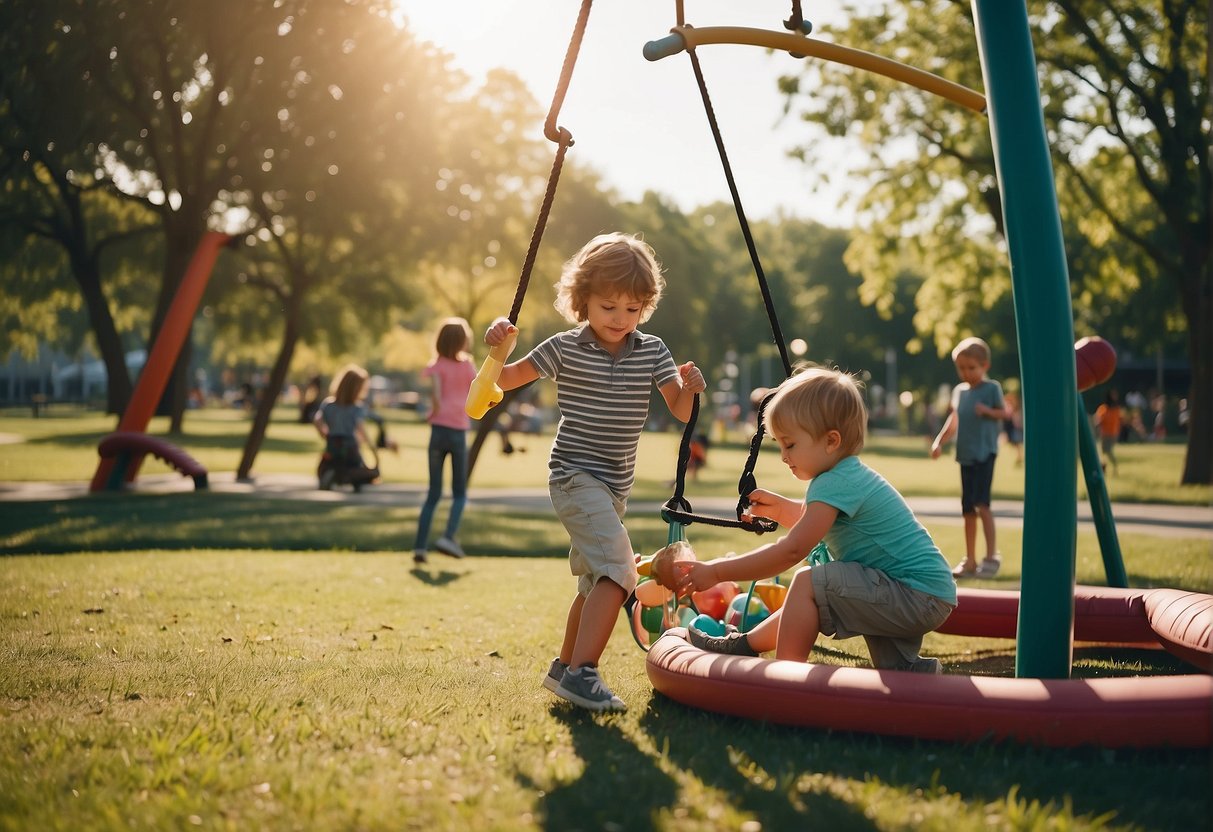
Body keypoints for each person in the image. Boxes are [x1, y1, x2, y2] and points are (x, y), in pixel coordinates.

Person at [483, 231, 705, 712]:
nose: (621, 319)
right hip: (573, 476)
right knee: (620, 571)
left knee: (593, 583)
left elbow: (682, 411)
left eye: (633, 309)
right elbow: (502, 379)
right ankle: (584, 674)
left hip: (613, 488)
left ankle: (565, 667)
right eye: (609, 307)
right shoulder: (563, 347)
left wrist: (691, 387)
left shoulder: (652, 350)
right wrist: (496, 344)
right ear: (582, 300)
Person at [672, 367, 956, 674]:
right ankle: (920, 676)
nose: (783, 455)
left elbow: (793, 550)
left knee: (809, 583)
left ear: (831, 440)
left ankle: (785, 680)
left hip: (912, 593)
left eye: (790, 444)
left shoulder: (834, 482)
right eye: (779, 445)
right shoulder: (845, 476)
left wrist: (716, 572)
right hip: (917, 591)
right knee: (897, 670)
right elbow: (814, 523)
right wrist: (781, 511)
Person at [929, 337, 1006, 578]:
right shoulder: (959, 392)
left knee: (982, 505)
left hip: (985, 454)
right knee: (967, 510)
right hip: (966, 455)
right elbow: (954, 420)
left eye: (971, 368)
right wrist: (939, 441)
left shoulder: (991, 388)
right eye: (961, 368)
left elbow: (1005, 413)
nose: (966, 373)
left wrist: (987, 411)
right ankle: (970, 560)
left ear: (985, 366)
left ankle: (991, 556)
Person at [413, 317, 478, 565]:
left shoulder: (437, 365)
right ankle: (448, 537)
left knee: (433, 493)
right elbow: (476, 390)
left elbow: (437, 397)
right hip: (458, 431)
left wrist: (432, 413)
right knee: (459, 493)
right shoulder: (468, 366)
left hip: (438, 430)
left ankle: (420, 547)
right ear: (463, 341)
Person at [313, 364, 376, 490]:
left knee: (330, 461)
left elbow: (317, 420)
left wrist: (324, 433)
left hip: (332, 442)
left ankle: (331, 475)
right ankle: (355, 480)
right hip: (349, 444)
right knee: (356, 464)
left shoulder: (328, 404)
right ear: (357, 389)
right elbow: (360, 428)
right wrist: (372, 447)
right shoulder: (357, 408)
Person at [1093, 389, 1123, 475]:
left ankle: (1114, 465)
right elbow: (1098, 419)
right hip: (1104, 433)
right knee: (1103, 452)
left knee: (1108, 451)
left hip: (1113, 434)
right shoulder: (1103, 408)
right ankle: (1103, 467)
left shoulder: (1116, 409)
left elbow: (1119, 420)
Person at [1002, 389, 1023, 466]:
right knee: (1014, 443)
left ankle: (1019, 457)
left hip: (1012, 427)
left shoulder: (1010, 407)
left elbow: (1010, 415)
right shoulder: (1007, 405)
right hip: (1009, 427)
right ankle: (1019, 457)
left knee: (1016, 443)